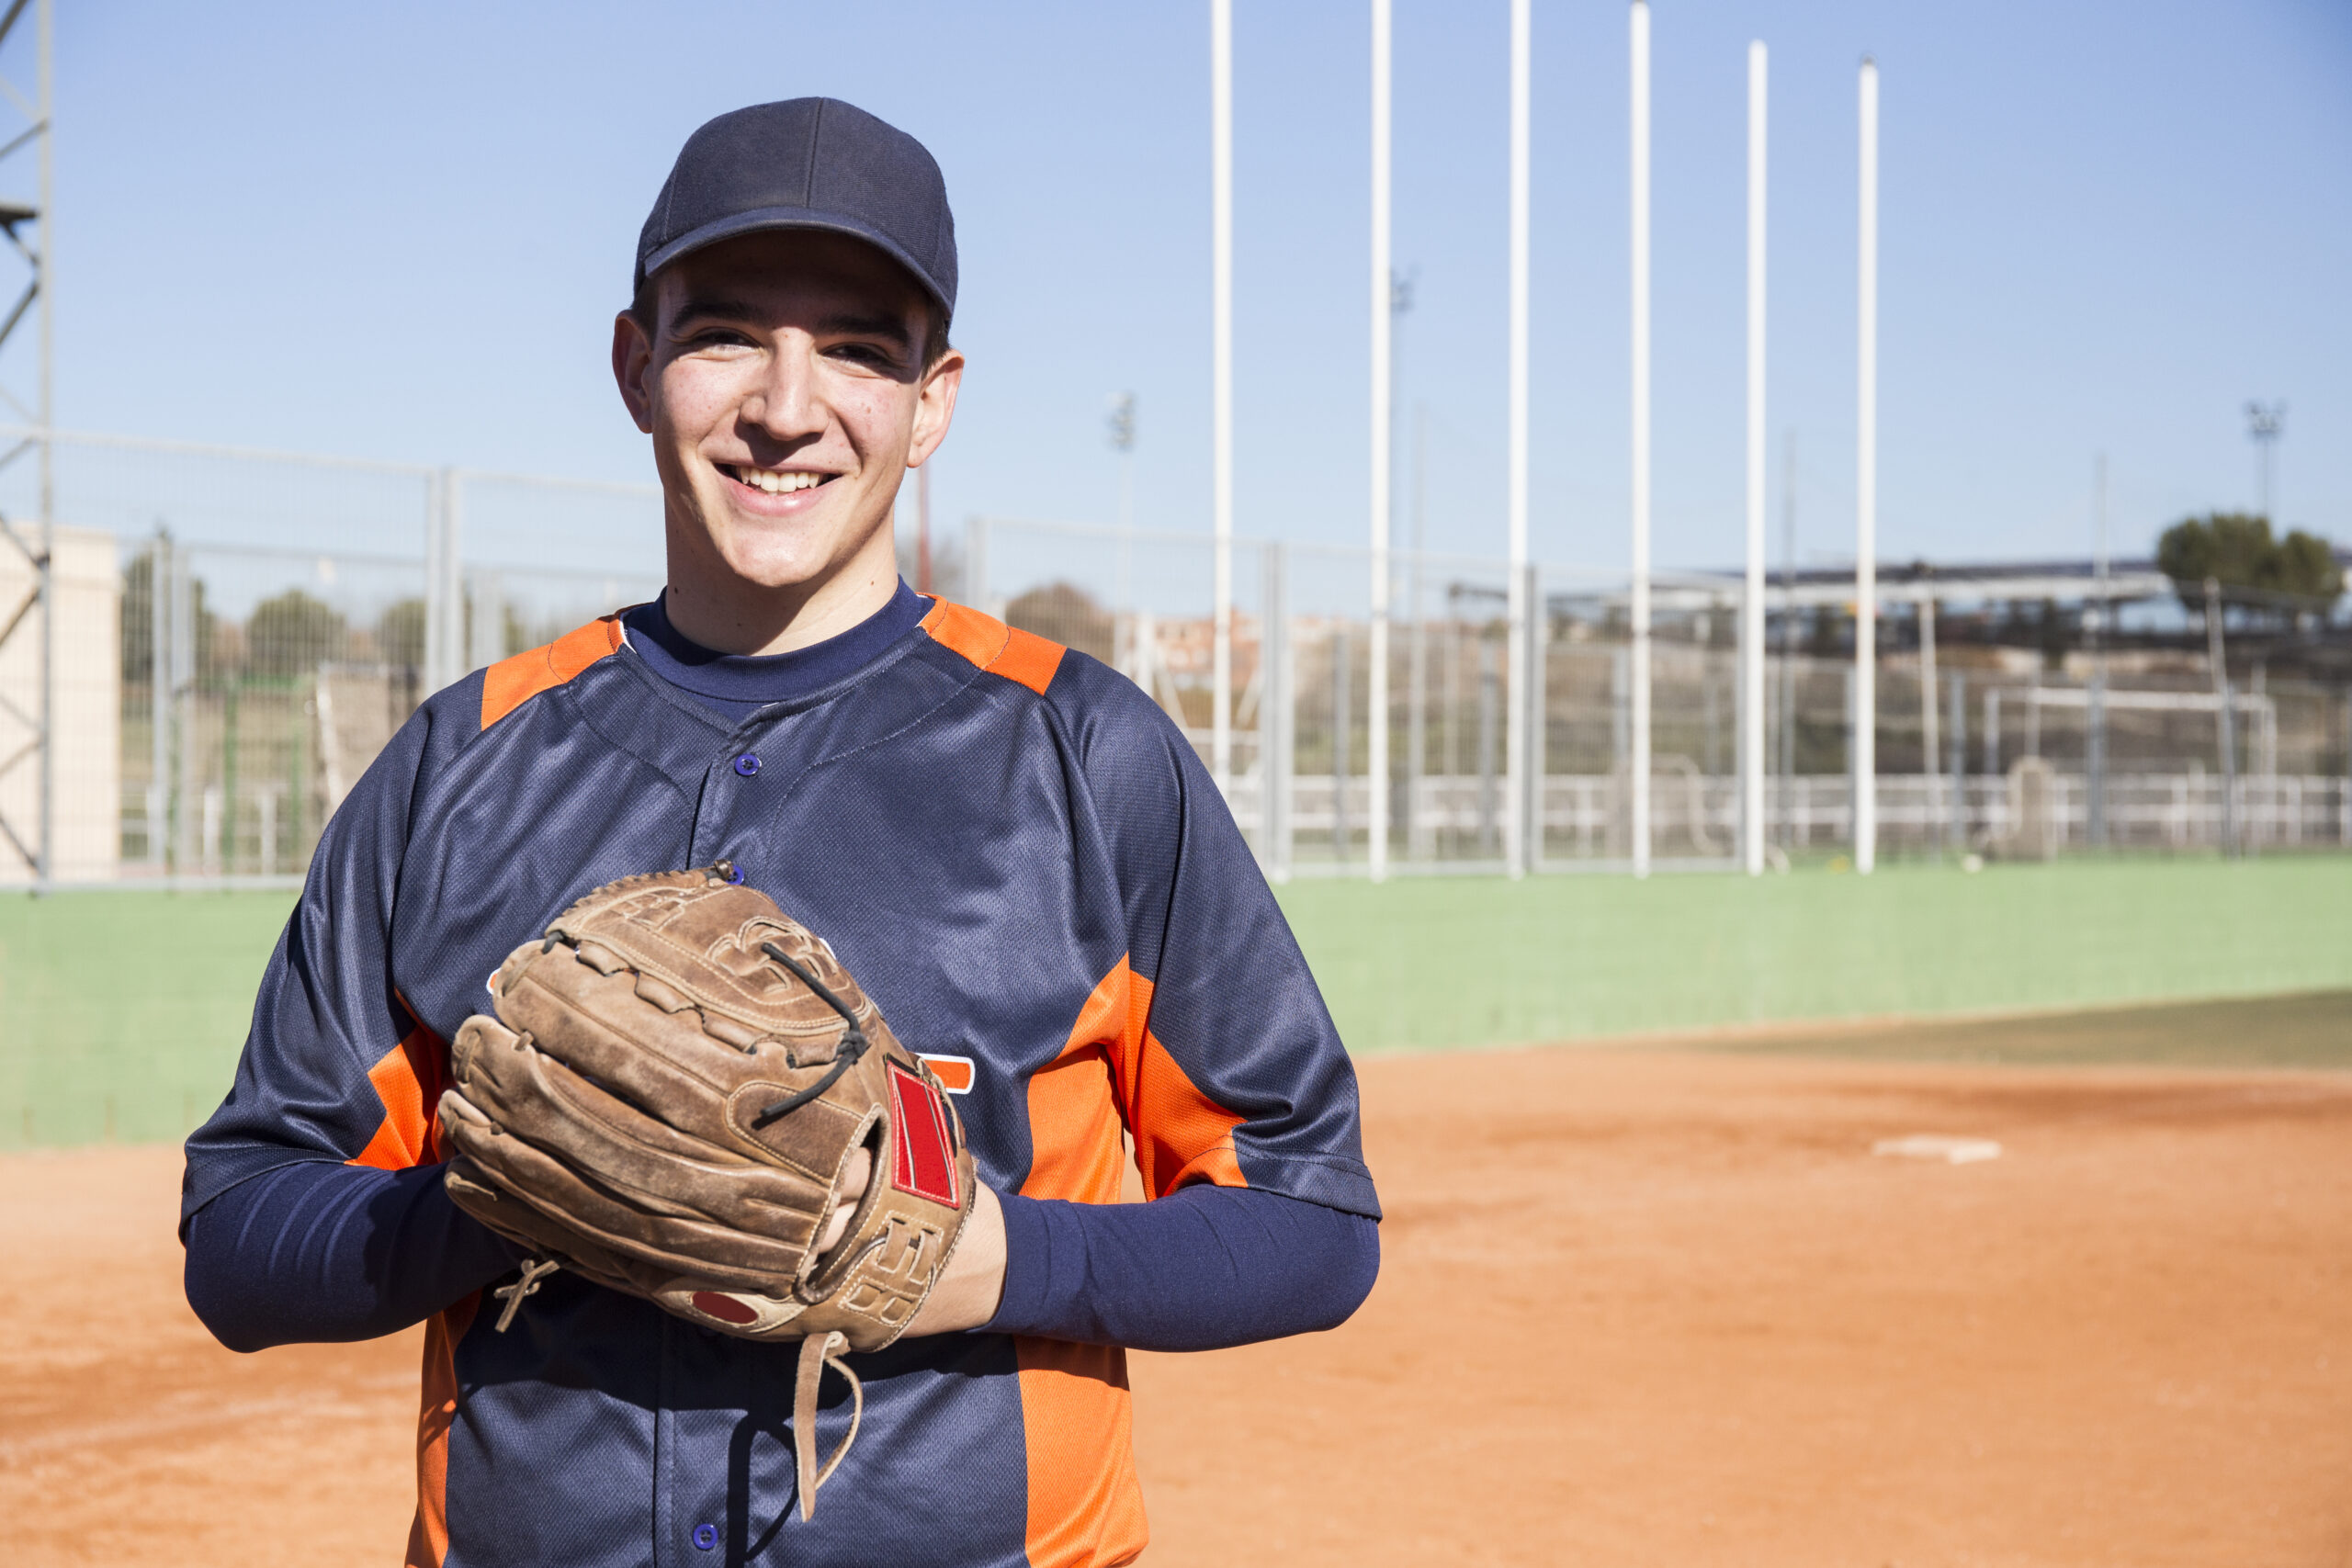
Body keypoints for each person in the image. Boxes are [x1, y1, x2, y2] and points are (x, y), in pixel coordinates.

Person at [182, 97, 1380, 1568]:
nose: (787, 406)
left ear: (933, 399)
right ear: (638, 367)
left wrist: (999, 1259)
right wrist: (529, 1195)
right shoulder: (462, 758)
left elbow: (1313, 1222)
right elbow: (241, 1236)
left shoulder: (1082, 752)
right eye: (728, 334)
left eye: (861, 348)